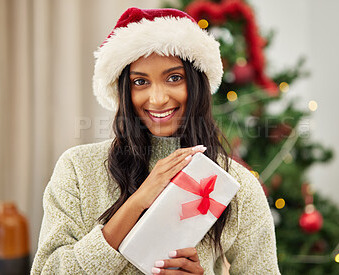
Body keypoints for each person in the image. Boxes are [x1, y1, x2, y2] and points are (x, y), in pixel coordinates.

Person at [31, 7, 280, 275]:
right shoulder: (78, 168)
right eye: (140, 82)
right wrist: (138, 202)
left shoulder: (237, 185)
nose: (158, 98)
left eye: (174, 78)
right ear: (124, 90)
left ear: (197, 84)